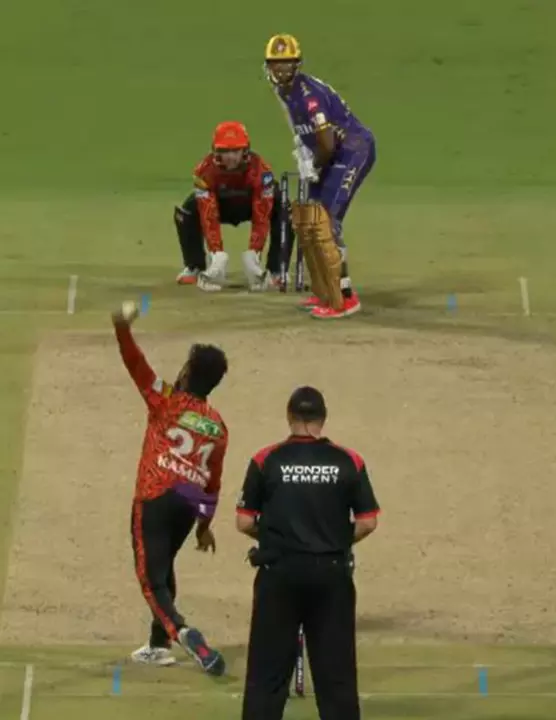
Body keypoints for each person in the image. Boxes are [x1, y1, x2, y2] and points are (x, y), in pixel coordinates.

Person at [237, 386, 380, 719]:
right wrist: (336, 540)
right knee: (337, 678)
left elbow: (244, 522)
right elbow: (368, 522)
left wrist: (274, 540)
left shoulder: (265, 459)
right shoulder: (349, 461)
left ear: (289, 417)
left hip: (279, 575)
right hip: (331, 575)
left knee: (267, 677)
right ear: (323, 419)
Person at [112, 299, 228, 676]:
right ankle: (158, 645)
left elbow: (136, 365)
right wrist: (205, 525)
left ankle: (182, 632)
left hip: (154, 495)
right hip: (188, 506)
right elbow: (213, 481)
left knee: (150, 579)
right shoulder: (217, 425)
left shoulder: (166, 399)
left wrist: (121, 328)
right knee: (165, 565)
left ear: (187, 371)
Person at [264, 33, 376, 319]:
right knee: (308, 220)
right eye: (276, 64)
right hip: (331, 153)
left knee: (327, 222)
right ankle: (324, 291)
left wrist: (313, 163)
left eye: (287, 64)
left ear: (297, 65)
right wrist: (303, 147)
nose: (281, 70)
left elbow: (327, 143)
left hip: (352, 151)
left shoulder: (308, 95)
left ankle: (346, 296)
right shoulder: (284, 92)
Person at [176, 121, 287, 291]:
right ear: (215, 150)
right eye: (224, 151)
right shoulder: (203, 172)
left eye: (235, 150)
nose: (230, 157)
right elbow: (208, 214)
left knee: (284, 207)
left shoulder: (262, 171)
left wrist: (254, 252)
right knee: (187, 212)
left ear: (245, 149)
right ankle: (195, 266)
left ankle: (277, 270)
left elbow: (262, 214)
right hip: (221, 207)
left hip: (250, 206)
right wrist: (217, 253)